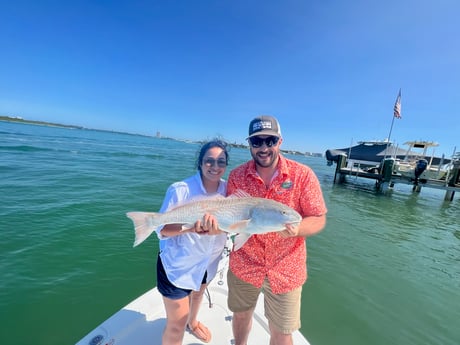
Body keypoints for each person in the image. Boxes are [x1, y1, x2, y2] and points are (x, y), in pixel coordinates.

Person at [226, 116, 327, 345]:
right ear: (249, 144)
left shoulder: (302, 175)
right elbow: (230, 220)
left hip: (286, 268)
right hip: (244, 262)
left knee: (282, 332)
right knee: (241, 316)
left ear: (279, 141)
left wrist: (298, 228)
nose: (263, 148)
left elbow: (319, 218)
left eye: (269, 141)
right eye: (257, 142)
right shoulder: (237, 176)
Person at [155, 139, 229, 345]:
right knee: (176, 323)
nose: (215, 167)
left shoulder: (229, 192)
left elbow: (234, 224)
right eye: (209, 161)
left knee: (198, 295)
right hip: (177, 266)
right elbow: (161, 230)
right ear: (200, 162)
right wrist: (189, 228)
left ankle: (193, 323)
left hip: (208, 263)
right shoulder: (180, 190)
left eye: (221, 162)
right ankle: (185, 324)